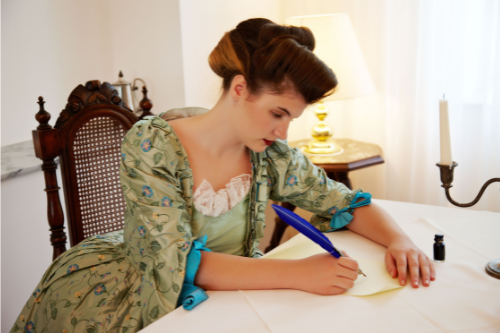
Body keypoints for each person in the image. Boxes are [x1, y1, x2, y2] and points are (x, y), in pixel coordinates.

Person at [11, 18, 435, 333]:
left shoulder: (272, 156)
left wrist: (400, 241)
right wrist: (300, 273)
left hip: (234, 294)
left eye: (291, 118)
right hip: (142, 290)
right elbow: (173, 262)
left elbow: (344, 203)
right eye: (277, 113)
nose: (284, 131)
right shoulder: (152, 146)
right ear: (238, 88)